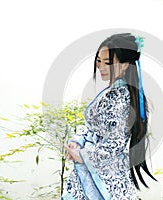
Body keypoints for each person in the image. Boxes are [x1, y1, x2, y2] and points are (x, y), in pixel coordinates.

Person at [62, 33, 156, 200]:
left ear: (126, 65)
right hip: (97, 171)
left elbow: (114, 146)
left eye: (108, 63)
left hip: (105, 178)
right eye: (99, 61)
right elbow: (93, 128)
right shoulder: (115, 93)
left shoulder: (120, 99)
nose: (101, 67)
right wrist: (78, 142)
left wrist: (83, 155)